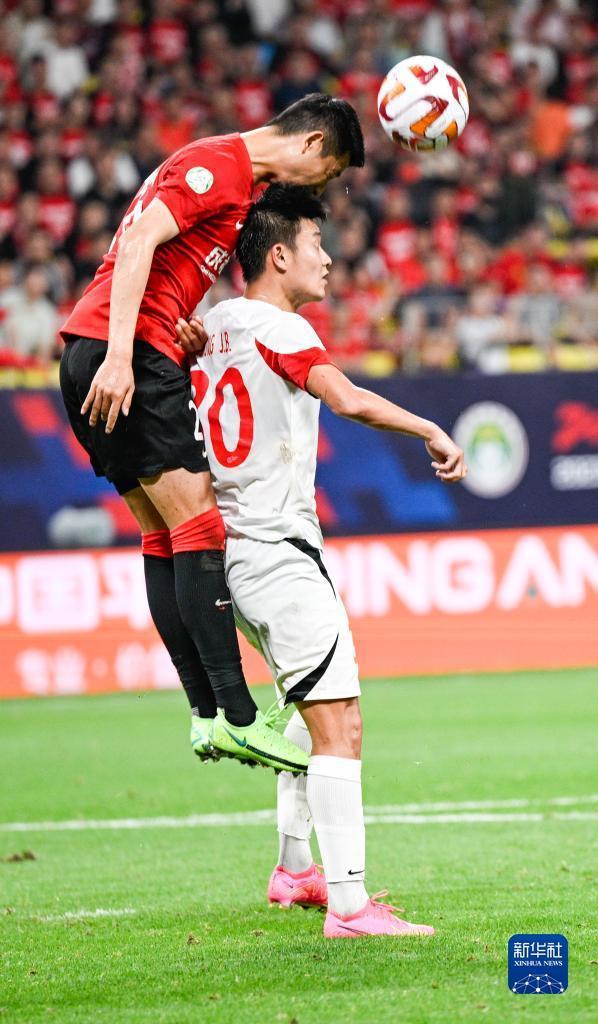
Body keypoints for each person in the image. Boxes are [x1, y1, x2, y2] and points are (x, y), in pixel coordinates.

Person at [178, 184, 466, 937]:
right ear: (278, 256)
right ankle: (350, 905)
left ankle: (294, 869)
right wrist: (430, 429)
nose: (329, 259)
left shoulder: (211, 325)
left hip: (230, 552)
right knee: (343, 723)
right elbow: (346, 399)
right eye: (315, 244)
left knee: (309, 711)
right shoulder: (281, 328)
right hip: (278, 552)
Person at [59, 94, 365, 774]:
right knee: (199, 526)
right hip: (124, 353)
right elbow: (138, 241)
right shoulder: (220, 165)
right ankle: (239, 718)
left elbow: (159, 259)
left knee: (163, 533)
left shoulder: (232, 182)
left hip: (99, 350)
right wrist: (122, 354)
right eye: (331, 171)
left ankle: (205, 715)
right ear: (313, 144)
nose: (324, 186)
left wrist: (167, 335)